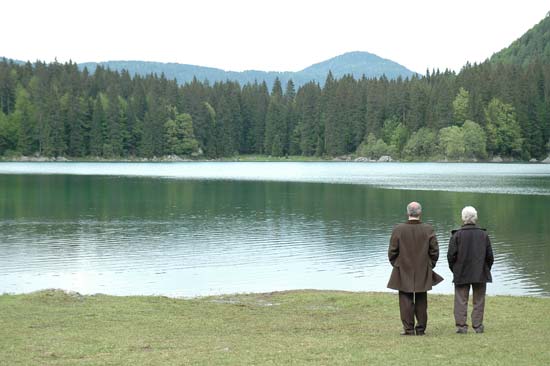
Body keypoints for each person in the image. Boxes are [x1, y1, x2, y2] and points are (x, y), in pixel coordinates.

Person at [387, 201, 443, 336]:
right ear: (420, 213)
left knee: (405, 299)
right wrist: (429, 265)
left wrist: (397, 264)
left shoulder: (398, 229)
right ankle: (420, 329)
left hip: (403, 268)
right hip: (422, 268)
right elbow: (435, 251)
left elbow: (392, 252)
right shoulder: (428, 229)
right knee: (421, 299)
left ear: (407, 213)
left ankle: (408, 329)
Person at [447, 206, 494, 334]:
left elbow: (451, 256)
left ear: (463, 218)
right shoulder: (484, 235)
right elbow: (490, 257)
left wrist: (455, 270)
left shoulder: (456, 235)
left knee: (461, 300)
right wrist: (485, 269)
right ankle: (478, 326)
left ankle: (461, 327)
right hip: (480, 272)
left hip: (461, 272)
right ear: (475, 218)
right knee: (479, 300)